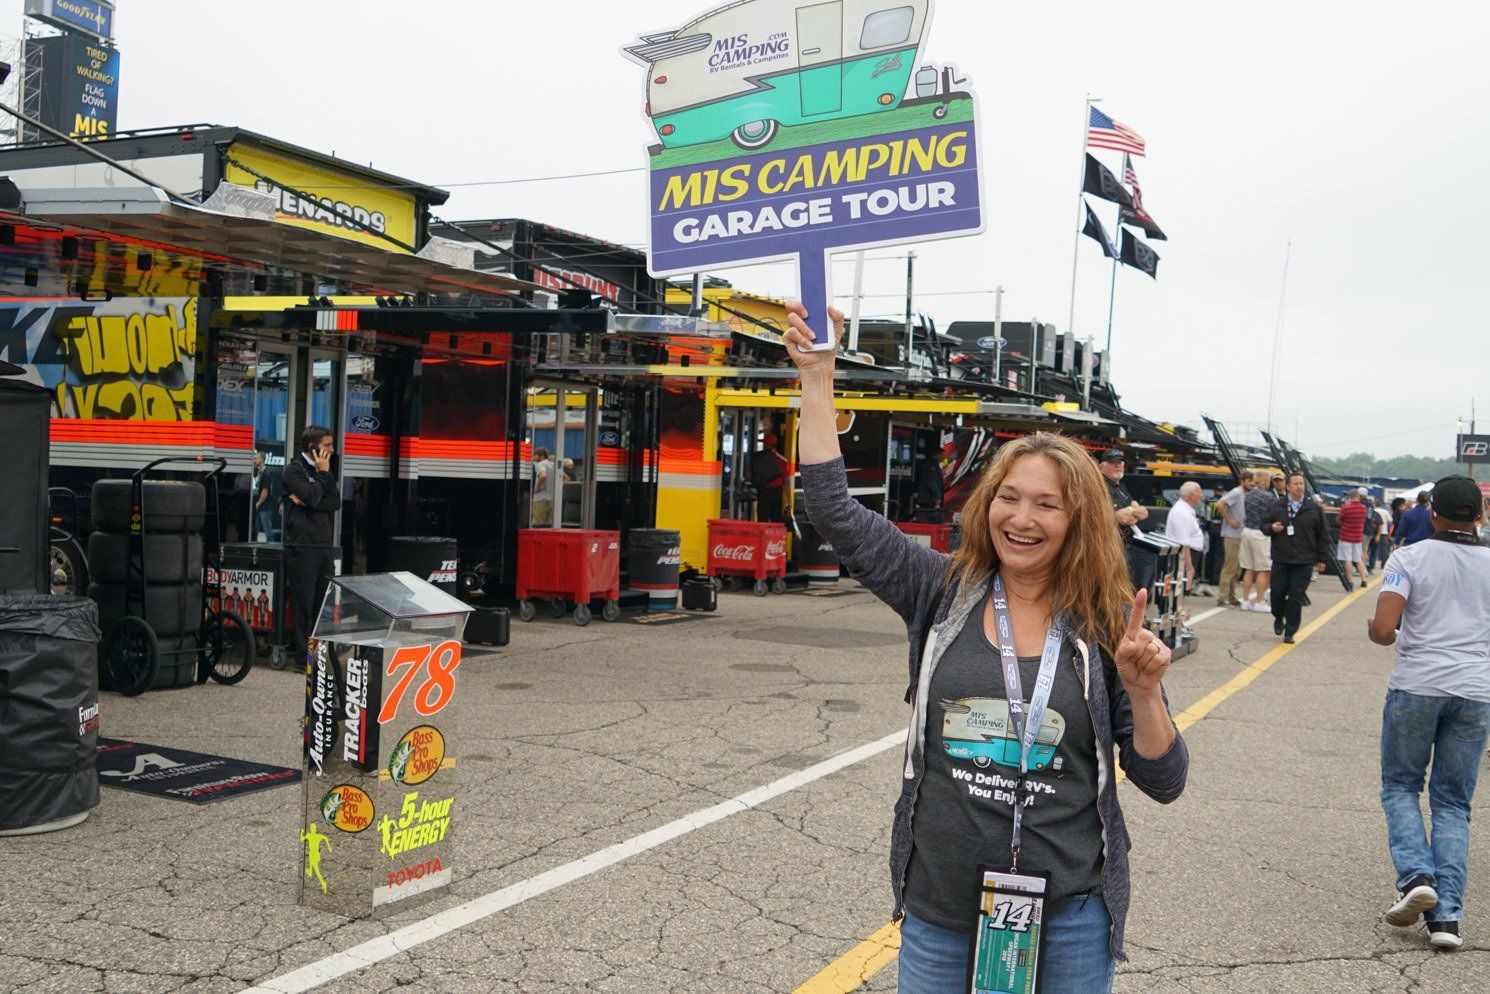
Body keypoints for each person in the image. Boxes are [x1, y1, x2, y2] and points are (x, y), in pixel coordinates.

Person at [785, 302, 1187, 994]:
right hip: (941, 909)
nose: (1021, 518)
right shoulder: (940, 589)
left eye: (1047, 505)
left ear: (1080, 521)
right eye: (1008, 497)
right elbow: (834, 512)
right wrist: (818, 376)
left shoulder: (1105, 623)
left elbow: (1164, 781)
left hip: (1069, 914)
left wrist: (1144, 693)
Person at [1367, 476, 1490, 951]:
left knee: (1401, 786)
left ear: (1432, 512)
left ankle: (1417, 875)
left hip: (1417, 685)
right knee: (1454, 803)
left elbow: (1384, 630)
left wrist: (1380, 631)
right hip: (1475, 690)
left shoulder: (1408, 558)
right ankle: (1447, 920)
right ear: (1479, 515)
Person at [283, 425, 341, 661]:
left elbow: (334, 502)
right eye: (327, 445)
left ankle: (319, 653)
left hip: (323, 546)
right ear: (311, 446)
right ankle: (302, 657)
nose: (332, 449)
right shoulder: (293, 470)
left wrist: (309, 501)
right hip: (301, 547)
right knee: (303, 604)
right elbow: (313, 495)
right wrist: (322, 477)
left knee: (322, 604)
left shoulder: (324, 469)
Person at [1264, 473, 1331, 643]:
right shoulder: (1278, 505)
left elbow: (1322, 535)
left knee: (1296, 597)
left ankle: (1290, 631)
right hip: (1281, 558)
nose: (1299, 486)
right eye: (1295, 484)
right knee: (1277, 594)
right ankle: (1278, 616)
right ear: (1288, 487)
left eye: (1301, 483)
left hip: (1304, 560)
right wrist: (1271, 527)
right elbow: (1263, 525)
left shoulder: (1313, 508)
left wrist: (1322, 559)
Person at [1098, 449, 1152, 594]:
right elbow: (1122, 516)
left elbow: (1143, 512)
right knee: (1114, 591)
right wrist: (1129, 512)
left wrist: (1130, 511)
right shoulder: (1100, 487)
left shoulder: (1121, 487)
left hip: (1125, 546)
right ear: (1101, 466)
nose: (1118, 465)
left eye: (1120, 462)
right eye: (1112, 462)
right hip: (1109, 548)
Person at [1239, 472, 1274, 612]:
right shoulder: (1268, 496)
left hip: (1247, 531)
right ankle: (1260, 601)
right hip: (1260, 534)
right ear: (1264, 481)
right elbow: (1274, 514)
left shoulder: (1247, 495)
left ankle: (1245, 600)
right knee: (1263, 570)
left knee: (1249, 568)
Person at [1216, 472, 1252, 606]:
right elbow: (1219, 504)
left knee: (1237, 569)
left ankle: (1232, 596)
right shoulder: (1236, 492)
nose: (1252, 483)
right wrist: (1229, 520)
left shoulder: (1244, 494)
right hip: (1232, 535)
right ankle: (1222, 597)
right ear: (1242, 481)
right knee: (1229, 567)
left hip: (1240, 535)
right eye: (1249, 481)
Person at [1165, 482, 1207, 592]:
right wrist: (1189, 567)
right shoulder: (1182, 512)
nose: (1201, 495)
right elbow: (1183, 543)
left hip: (1190, 553)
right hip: (1185, 555)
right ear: (1192, 495)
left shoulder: (1185, 509)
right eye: (1199, 492)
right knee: (1181, 590)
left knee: (1183, 590)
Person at [750, 431, 789, 523]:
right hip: (777, 494)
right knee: (776, 521)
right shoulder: (783, 460)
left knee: (762, 521)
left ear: (766, 444)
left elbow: (752, 475)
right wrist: (789, 500)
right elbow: (786, 481)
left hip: (763, 492)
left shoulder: (758, 458)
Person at [1336, 488, 1370, 589]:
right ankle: (1364, 580)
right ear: (1359, 497)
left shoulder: (1346, 508)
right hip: (1358, 537)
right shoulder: (1363, 508)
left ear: (1350, 497)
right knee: (1358, 559)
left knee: (1348, 560)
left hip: (1346, 537)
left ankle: (1350, 581)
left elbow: (1338, 519)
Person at [531, 447, 555, 526]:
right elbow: (566, 478)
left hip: (540, 500)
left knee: (538, 526)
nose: (534, 458)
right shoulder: (553, 465)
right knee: (548, 528)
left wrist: (536, 488)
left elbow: (543, 475)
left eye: (535, 455)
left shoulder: (540, 464)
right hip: (552, 500)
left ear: (541, 456)